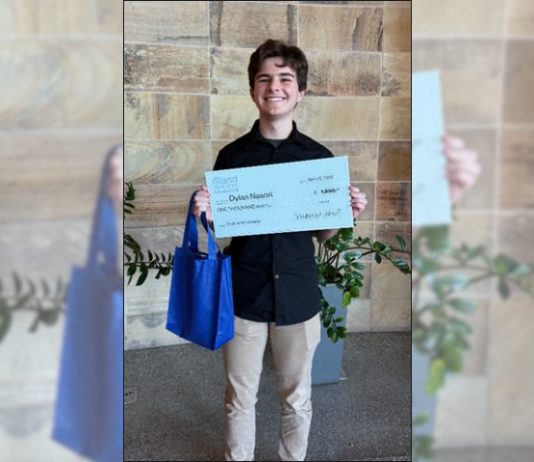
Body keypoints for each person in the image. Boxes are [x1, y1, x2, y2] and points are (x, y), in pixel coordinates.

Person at [192, 39, 367, 461]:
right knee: (239, 397)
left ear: (300, 91)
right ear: (253, 89)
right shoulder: (232, 157)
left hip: (297, 296)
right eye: (264, 78)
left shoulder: (317, 158)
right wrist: (205, 215)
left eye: (285, 79)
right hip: (244, 296)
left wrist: (346, 213)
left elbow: (324, 235)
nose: (274, 87)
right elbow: (222, 230)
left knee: (297, 397)